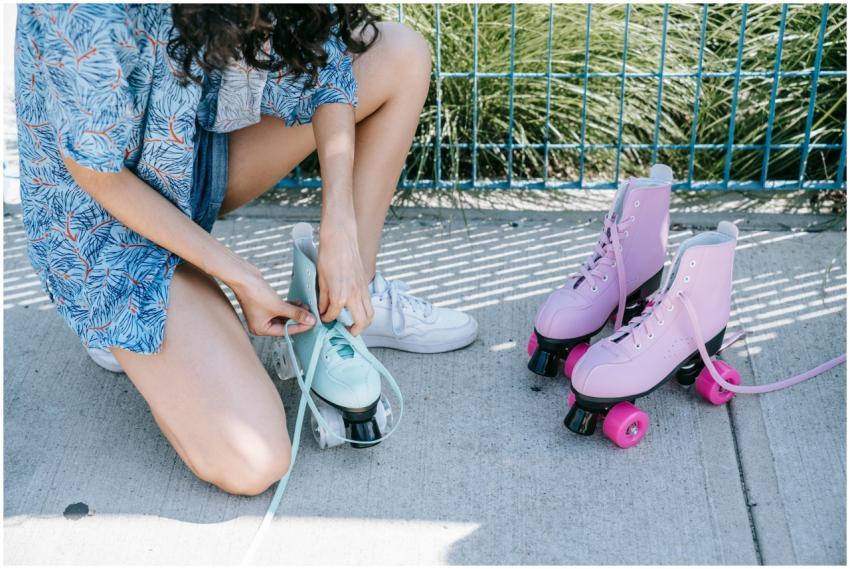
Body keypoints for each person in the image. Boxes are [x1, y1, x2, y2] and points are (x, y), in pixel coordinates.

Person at [14, 4, 477, 496]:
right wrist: (242, 278)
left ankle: (346, 303)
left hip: (193, 156)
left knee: (399, 54)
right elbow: (98, 173)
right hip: (106, 227)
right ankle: (127, 328)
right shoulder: (87, 10)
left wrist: (340, 229)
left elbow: (327, 60)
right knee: (254, 461)